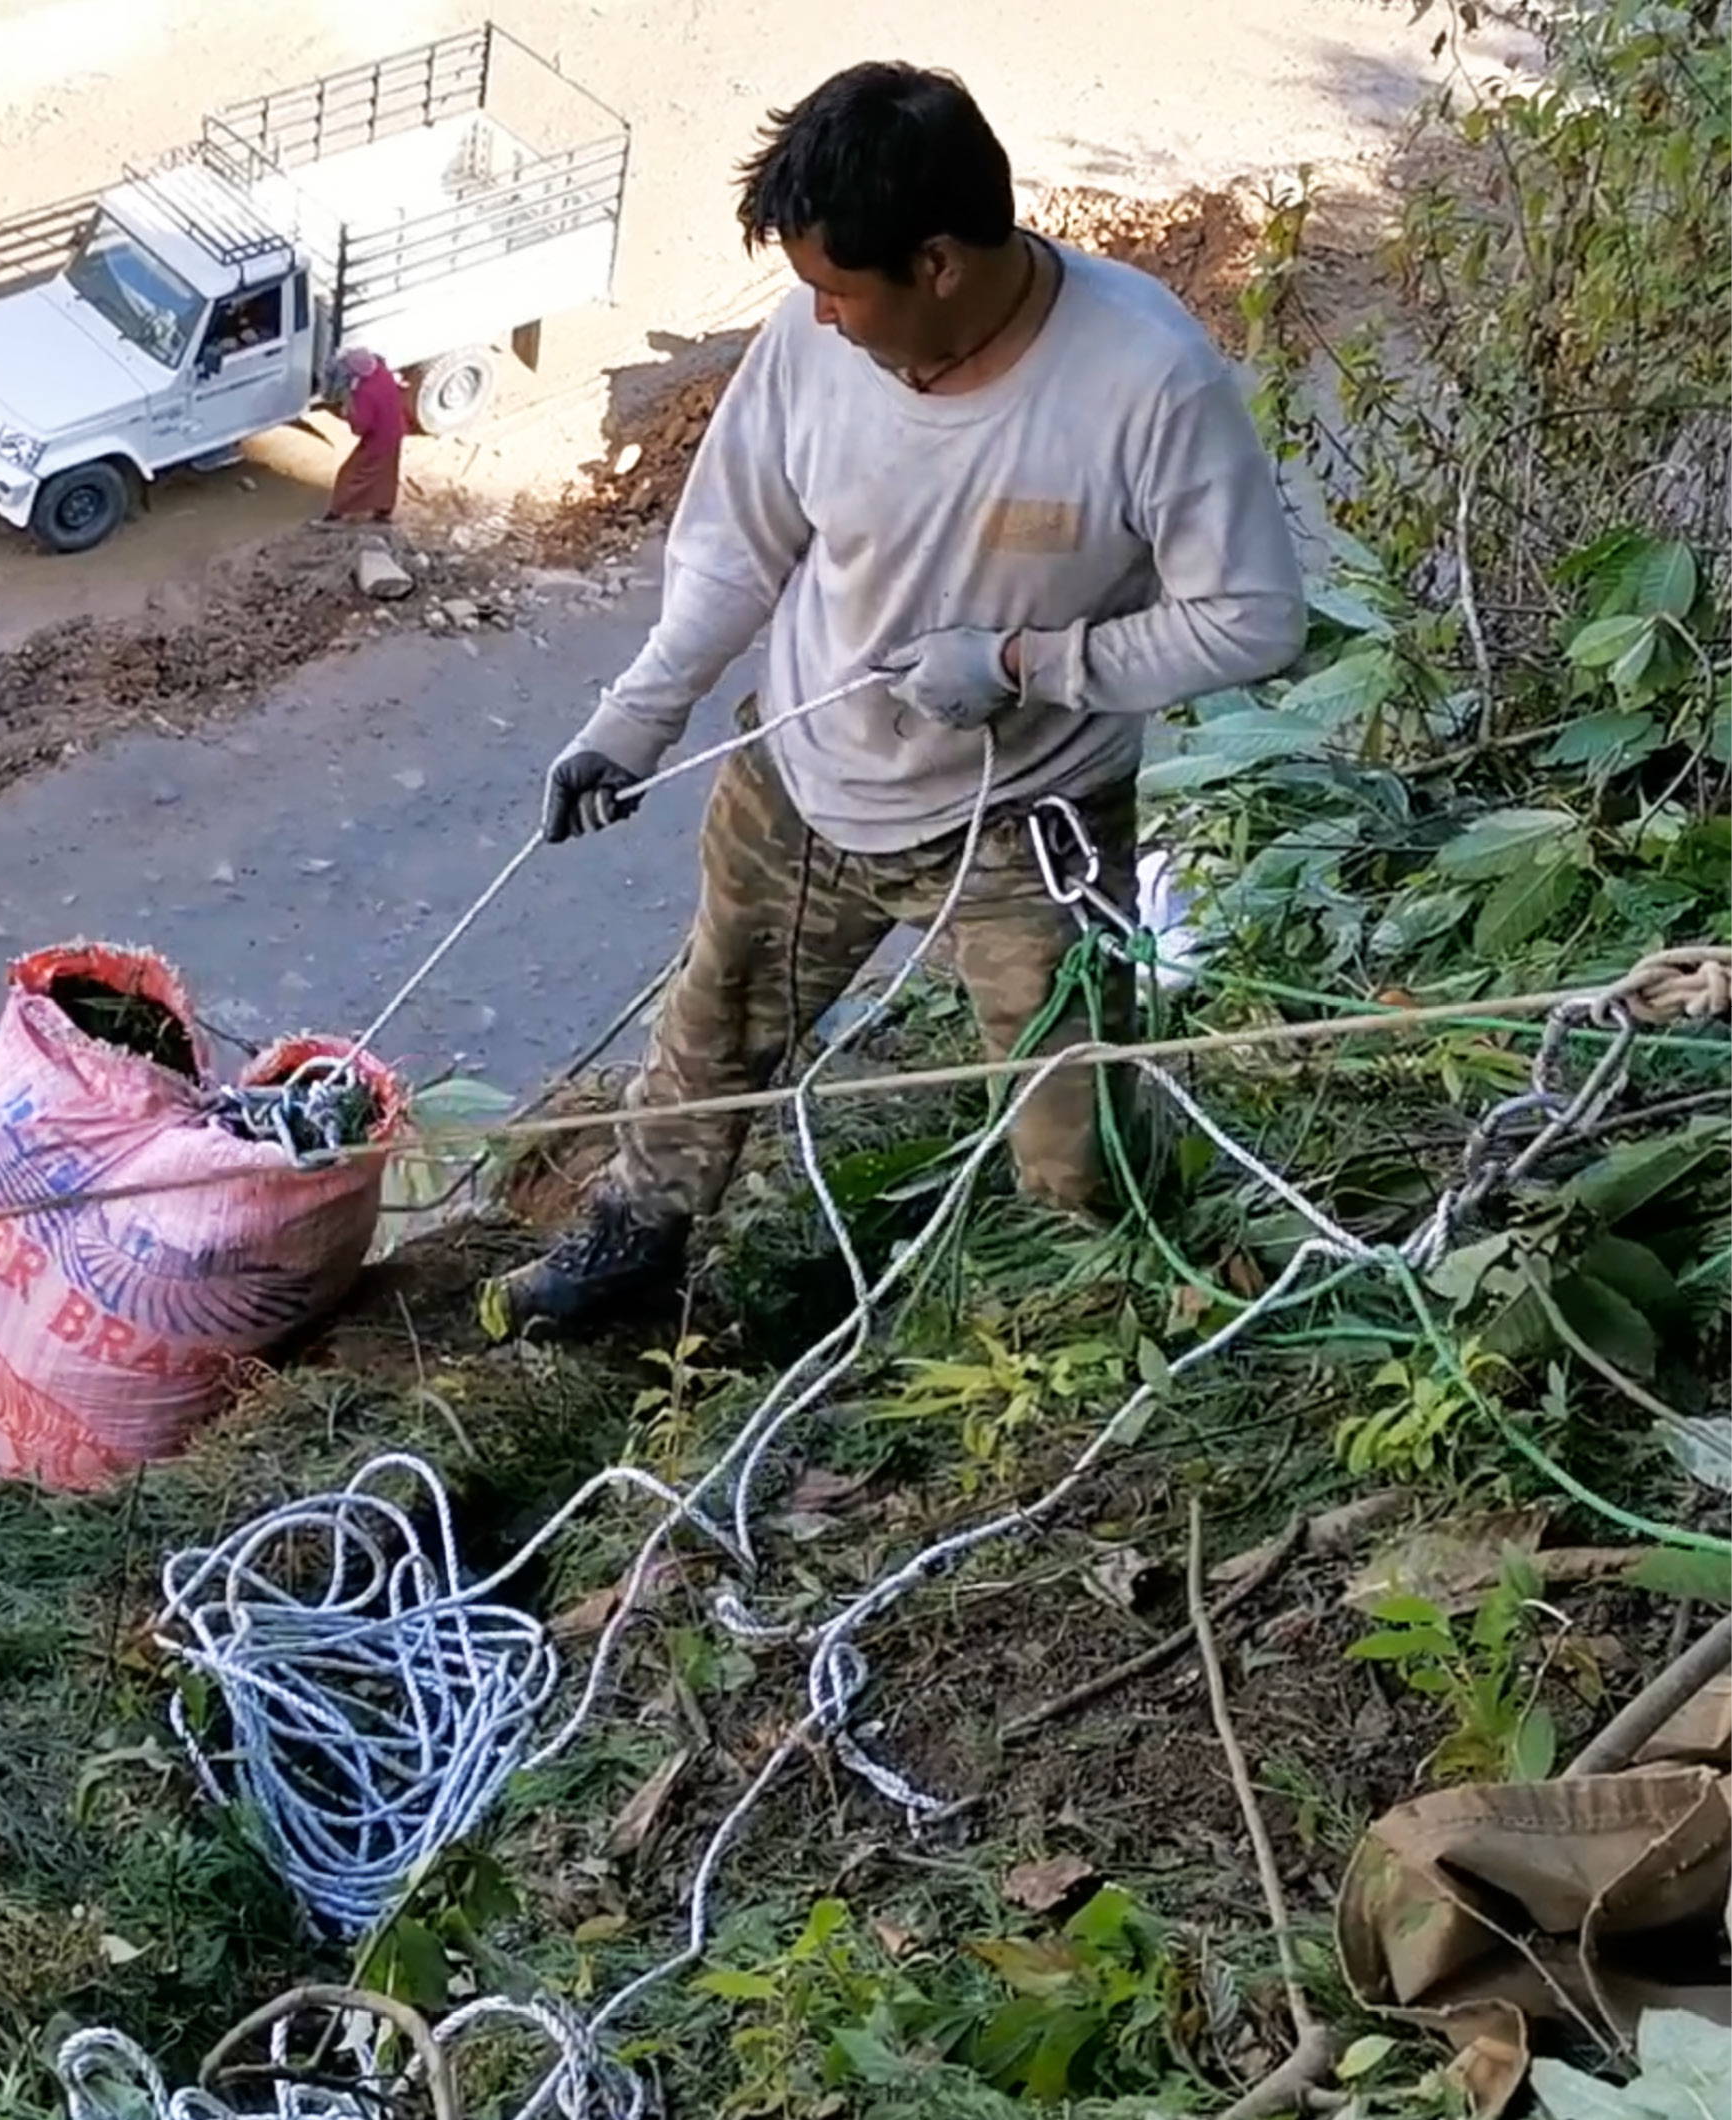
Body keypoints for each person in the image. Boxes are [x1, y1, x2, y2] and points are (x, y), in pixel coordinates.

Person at [494, 62, 1307, 1331]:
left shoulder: (1143, 381)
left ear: (937, 263)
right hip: (804, 779)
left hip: (1022, 819)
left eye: (836, 291)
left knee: (1073, 1141)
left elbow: (1250, 620)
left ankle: (1110, 1308)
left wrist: (1028, 665)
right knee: (711, 1028)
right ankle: (633, 1241)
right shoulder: (804, 350)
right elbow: (735, 545)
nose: (816, 318)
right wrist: (632, 719)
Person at [322, 348, 407, 524]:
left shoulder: (364, 393)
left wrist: (348, 411)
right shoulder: (382, 373)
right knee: (387, 472)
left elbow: (360, 427)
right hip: (395, 430)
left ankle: (337, 512)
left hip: (377, 440)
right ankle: (384, 509)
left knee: (352, 474)